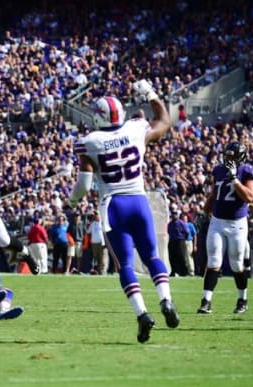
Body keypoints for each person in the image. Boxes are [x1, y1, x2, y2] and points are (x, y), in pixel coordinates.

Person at [68, 80, 179, 343]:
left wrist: (72, 202)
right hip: (139, 202)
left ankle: (142, 314)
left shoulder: (89, 142)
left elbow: (83, 185)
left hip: (114, 206)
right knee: (152, 256)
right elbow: (164, 121)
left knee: (125, 264)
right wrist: (151, 94)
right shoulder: (136, 129)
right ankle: (166, 300)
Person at [197, 141, 253, 315]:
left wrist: (235, 180)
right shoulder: (218, 170)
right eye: (227, 155)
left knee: (236, 263)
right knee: (213, 262)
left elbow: (250, 197)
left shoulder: (248, 171)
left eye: (232, 156)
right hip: (217, 221)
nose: (228, 158)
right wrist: (204, 213)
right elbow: (213, 194)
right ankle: (206, 301)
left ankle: (242, 299)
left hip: (237, 224)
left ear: (240, 157)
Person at [167, 210, 189, 277]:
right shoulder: (170, 224)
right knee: (172, 257)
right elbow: (168, 232)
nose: (174, 216)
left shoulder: (181, 223)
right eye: (173, 214)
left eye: (175, 214)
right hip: (172, 241)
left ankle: (184, 272)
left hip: (180, 241)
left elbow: (186, 232)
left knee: (181, 256)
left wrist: (184, 239)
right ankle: (173, 271)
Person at [183, 212, 197, 276]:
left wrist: (195, 245)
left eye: (185, 218)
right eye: (183, 218)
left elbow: (194, 235)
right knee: (184, 257)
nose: (184, 219)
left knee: (189, 256)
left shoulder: (190, 225)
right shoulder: (181, 224)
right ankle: (186, 271)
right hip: (182, 242)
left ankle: (191, 271)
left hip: (189, 241)